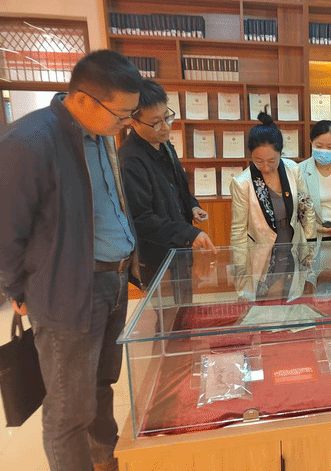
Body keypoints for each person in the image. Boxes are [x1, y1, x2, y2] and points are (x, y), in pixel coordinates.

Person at [0, 50, 142, 471]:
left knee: (100, 388)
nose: (126, 124)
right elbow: (6, 229)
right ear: (82, 99)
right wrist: (17, 289)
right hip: (69, 291)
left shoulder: (100, 135)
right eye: (121, 114)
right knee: (68, 410)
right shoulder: (30, 141)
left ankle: (104, 462)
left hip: (113, 282)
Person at [118, 79, 216, 293]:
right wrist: (189, 233)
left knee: (185, 305)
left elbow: (178, 186)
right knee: (169, 311)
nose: (165, 127)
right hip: (157, 259)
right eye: (156, 122)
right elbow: (141, 219)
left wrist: (192, 205)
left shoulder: (164, 144)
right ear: (134, 122)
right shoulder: (130, 160)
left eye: (167, 117)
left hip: (179, 250)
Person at [230, 110, 315, 298]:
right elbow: (238, 230)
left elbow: (306, 209)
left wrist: (309, 249)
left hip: (293, 248)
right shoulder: (242, 183)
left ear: (280, 153)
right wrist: (240, 272)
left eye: (272, 161)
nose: (266, 167)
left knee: (290, 299)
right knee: (265, 303)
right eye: (258, 161)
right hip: (263, 256)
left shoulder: (292, 170)